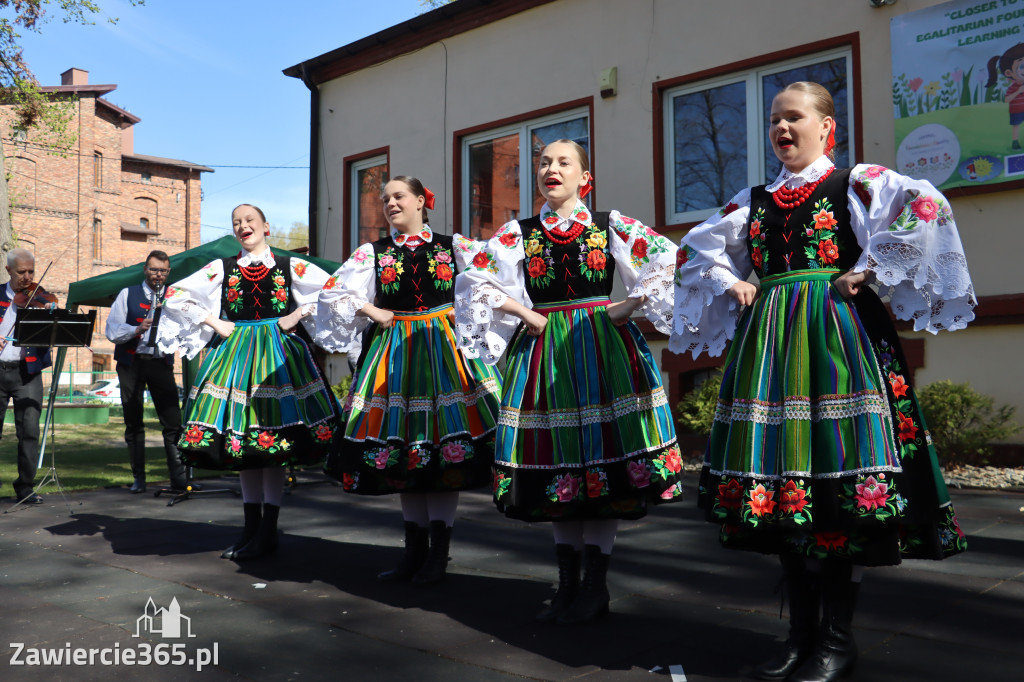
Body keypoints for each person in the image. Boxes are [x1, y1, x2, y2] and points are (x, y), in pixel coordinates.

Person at [671, 82, 974, 682]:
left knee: (838, 478)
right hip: (773, 349)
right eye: (775, 121)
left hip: (839, 342)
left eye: (795, 118)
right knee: (786, 480)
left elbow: (926, 207)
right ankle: (799, 633)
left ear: (826, 127)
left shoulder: (855, 182)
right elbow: (692, 251)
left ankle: (836, 639)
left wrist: (867, 268)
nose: (783, 129)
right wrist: (735, 282)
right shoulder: (752, 200)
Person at [455, 141, 683, 624]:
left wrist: (629, 304)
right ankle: (567, 584)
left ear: (585, 178)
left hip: (603, 346)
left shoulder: (607, 225)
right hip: (544, 350)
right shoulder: (520, 232)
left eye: (563, 163)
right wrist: (523, 313)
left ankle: (594, 587)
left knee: (597, 456)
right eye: (543, 163)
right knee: (559, 460)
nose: (551, 170)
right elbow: (477, 278)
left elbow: (668, 258)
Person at [318, 176, 501, 585]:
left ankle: (438, 556)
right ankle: (414, 554)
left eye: (398, 196)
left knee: (444, 451)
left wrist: (462, 309)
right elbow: (333, 291)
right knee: (405, 452)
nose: (390, 203)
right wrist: (373, 310)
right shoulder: (374, 252)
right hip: (396, 356)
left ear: (421, 201)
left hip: (446, 354)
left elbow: (494, 281)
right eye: (385, 199)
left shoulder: (453, 246)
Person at [157, 204, 340, 561]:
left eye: (250, 220)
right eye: (237, 222)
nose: (243, 226)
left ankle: (267, 531)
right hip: (238, 354)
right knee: (245, 447)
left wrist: (298, 314)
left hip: (279, 360)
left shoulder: (289, 265)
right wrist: (214, 321)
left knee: (269, 443)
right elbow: (175, 294)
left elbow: (334, 290)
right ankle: (251, 530)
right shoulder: (223, 268)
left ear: (266, 226)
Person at [105, 250, 187, 494]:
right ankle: (138, 478)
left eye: (163, 271)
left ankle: (179, 479)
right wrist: (137, 328)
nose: (158, 275)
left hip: (160, 362)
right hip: (131, 363)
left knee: (172, 421)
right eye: (153, 269)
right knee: (133, 421)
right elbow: (112, 331)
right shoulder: (127, 294)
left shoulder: (175, 296)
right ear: (145, 269)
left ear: (168, 272)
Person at [0, 248, 52, 505]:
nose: (27, 277)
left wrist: (52, 312)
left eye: (31, 271)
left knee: (30, 430)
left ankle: (25, 488)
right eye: (21, 272)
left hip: (27, 373)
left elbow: (54, 334)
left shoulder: (40, 298)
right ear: (8, 270)